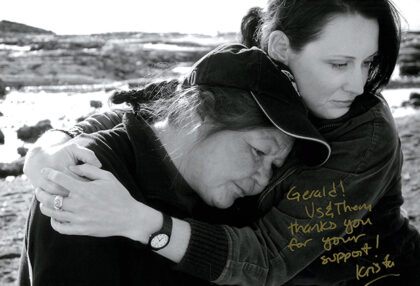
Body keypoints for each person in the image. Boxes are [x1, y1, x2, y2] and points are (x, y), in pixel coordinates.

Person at [21, 0, 420, 285]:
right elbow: (166, 104)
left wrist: (141, 222)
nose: (358, 84)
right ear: (281, 49)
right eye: (339, 63)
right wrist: (55, 146)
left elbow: (269, 258)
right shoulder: (250, 80)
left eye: (368, 62)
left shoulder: (362, 131)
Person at [18, 44, 331, 286]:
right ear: (195, 113)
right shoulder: (87, 174)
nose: (263, 180)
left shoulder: (231, 199)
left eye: (275, 165)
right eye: (259, 152)